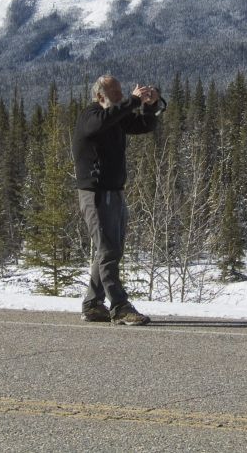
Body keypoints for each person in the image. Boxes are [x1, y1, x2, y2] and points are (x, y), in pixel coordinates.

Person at [73, 74, 161, 326]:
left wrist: (150, 104)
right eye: (116, 94)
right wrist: (132, 102)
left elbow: (144, 125)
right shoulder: (91, 116)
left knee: (110, 250)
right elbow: (103, 122)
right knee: (108, 250)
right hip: (96, 194)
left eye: (122, 93)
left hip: (114, 191)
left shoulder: (115, 117)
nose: (122, 98)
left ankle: (92, 304)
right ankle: (120, 306)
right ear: (101, 97)